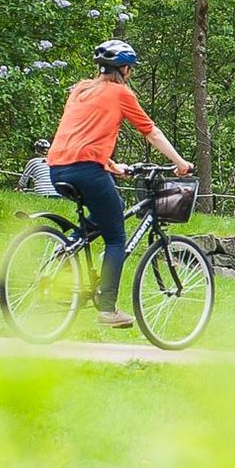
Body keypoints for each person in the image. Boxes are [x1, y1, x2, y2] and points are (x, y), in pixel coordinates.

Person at [46, 39, 192, 328]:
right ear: (124, 69)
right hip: (87, 171)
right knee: (116, 237)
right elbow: (151, 132)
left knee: (102, 216)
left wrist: (113, 166)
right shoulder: (120, 94)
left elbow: (79, 135)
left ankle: (64, 256)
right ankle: (108, 309)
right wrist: (180, 163)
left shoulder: (80, 89)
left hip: (58, 168)